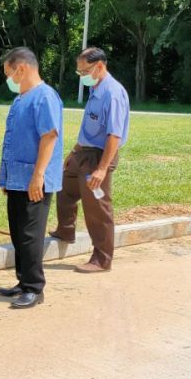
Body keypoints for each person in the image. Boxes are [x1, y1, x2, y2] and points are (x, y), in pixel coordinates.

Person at [50, 47, 130, 273]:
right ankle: (66, 230)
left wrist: (102, 169)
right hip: (83, 152)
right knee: (65, 185)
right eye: (79, 72)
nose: (82, 76)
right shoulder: (96, 89)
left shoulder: (112, 93)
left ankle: (102, 259)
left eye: (84, 71)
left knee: (96, 207)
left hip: (99, 157)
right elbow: (90, 127)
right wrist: (73, 152)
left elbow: (114, 135)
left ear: (100, 66)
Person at [0, 47, 64, 309]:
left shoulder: (44, 97)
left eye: (9, 73)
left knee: (30, 235)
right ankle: (23, 281)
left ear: (21, 69)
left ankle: (35, 288)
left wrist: (38, 176)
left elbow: (49, 136)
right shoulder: (22, 98)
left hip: (34, 179)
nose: (8, 79)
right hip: (17, 178)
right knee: (17, 232)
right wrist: (6, 178)